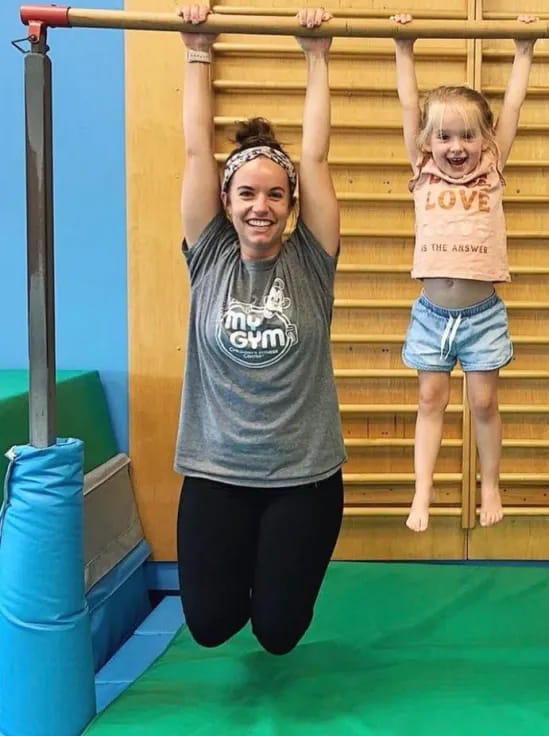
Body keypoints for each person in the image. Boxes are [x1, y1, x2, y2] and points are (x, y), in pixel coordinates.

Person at [174, 5, 346, 655]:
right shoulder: (209, 254)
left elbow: (316, 155)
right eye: (247, 193)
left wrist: (317, 56)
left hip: (302, 477)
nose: (261, 207)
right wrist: (197, 48)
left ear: (292, 204)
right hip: (217, 472)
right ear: (226, 201)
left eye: (275, 194)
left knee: (278, 633)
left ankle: (279, 578)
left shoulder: (312, 260)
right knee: (212, 626)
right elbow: (196, 148)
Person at [389, 13, 537, 532]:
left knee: (484, 401)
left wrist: (523, 50)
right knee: (430, 400)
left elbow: (514, 107)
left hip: (482, 314)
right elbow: (410, 107)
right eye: (445, 137)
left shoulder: (492, 171)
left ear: (485, 141)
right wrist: (404, 49)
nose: (456, 147)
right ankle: (423, 492)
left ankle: (490, 483)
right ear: (429, 142)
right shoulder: (423, 171)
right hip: (431, 314)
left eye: (468, 137)